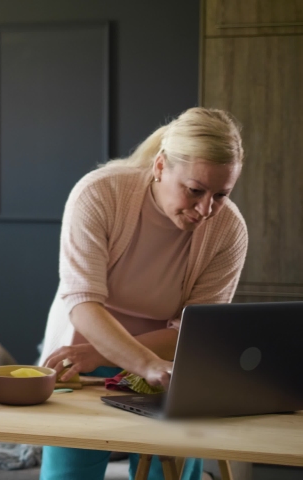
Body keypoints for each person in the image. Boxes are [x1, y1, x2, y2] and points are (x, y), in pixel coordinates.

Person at [38, 107, 247, 480]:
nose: (206, 209)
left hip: (166, 358)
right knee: (69, 474)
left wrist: (135, 360)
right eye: (195, 190)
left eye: (221, 195)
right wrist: (137, 362)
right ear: (161, 166)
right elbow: (82, 302)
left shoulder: (228, 230)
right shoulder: (99, 193)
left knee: (169, 472)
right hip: (80, 353)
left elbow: (194, 330)